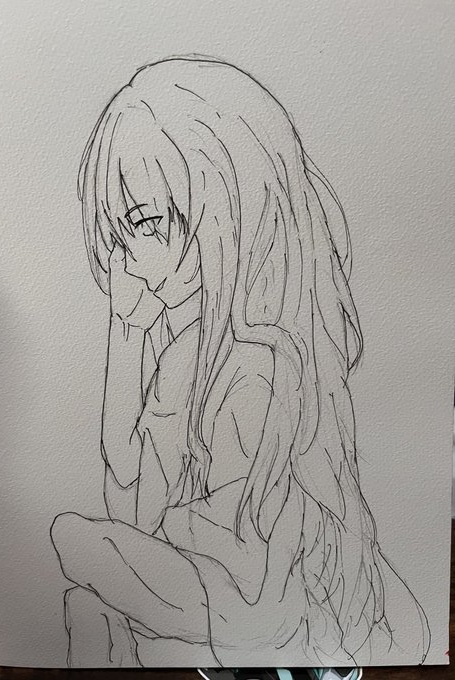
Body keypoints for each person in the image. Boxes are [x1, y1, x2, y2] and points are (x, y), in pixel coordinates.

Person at [51, 56, 430, 668]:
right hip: (209, 586)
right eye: (117, 236)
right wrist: (125, 329)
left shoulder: (259, 369)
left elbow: (243, 571)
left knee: (76, 545)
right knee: (81, 573)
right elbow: (125, 484)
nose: (129, 260)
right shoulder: (185, 351)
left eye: (146, 224)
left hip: (251, 609)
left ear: (226, 208)